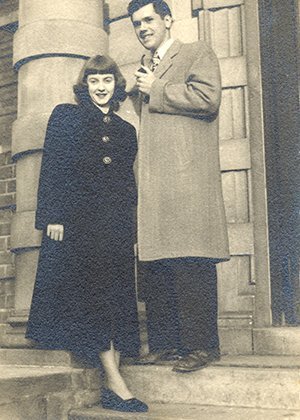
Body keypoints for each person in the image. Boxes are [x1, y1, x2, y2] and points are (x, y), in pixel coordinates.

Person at [26, 55, 148, 413]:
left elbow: (128, 184)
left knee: (117, 296)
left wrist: (134, 229)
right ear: (85, 84)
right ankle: (115, 382)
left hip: (116, 226)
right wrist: (53, 215)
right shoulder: (66, 115)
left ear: (116, 84)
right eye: (93, 80)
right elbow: (53, 167)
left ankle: (115, 379)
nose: (100, 86)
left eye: (106, 80)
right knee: (96, 296)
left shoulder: (126, 130)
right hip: (79, 226)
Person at [128, 0, 230, 373]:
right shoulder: (145, 67)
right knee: (158, 262)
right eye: (136, 23)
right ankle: (166, 344)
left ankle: (203, 347)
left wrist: (158, 87)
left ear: (168, 20)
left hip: (187, 176)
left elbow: (208, 98)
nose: (142, 28)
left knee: (191, 258)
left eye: (149, 20)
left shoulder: (196, 52)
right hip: (155, 179)